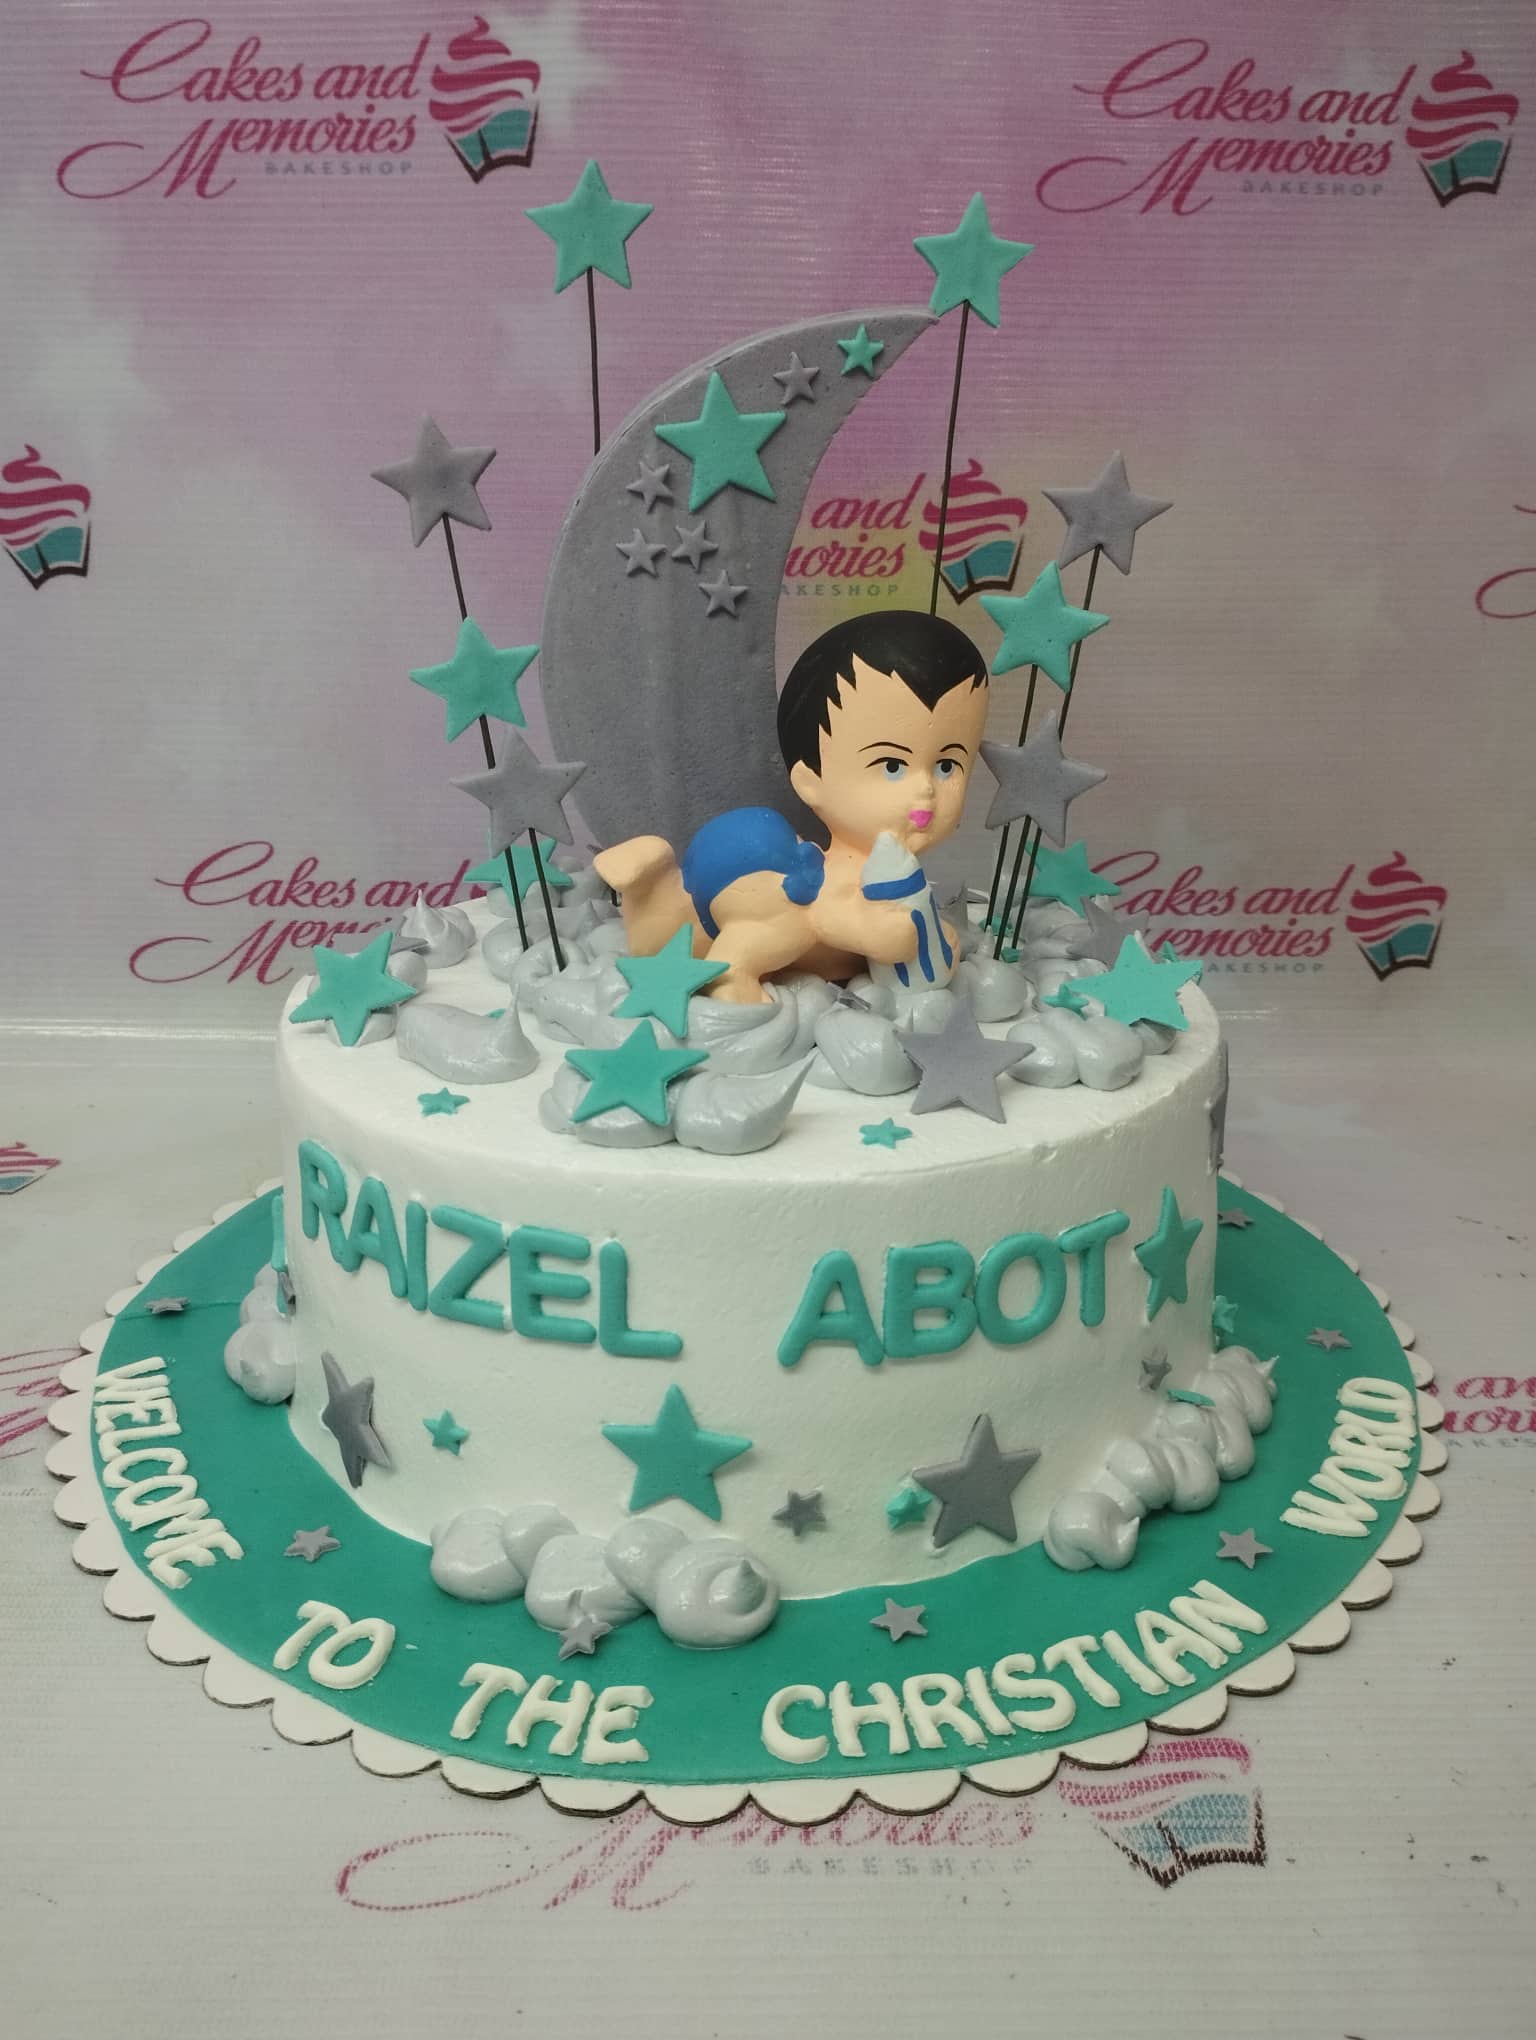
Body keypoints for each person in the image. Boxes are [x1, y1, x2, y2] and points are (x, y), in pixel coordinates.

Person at [595, 611, 989, 1003]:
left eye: (946, 766)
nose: (925, 790)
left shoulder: (893, 869)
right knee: (793, 918)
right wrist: (887, 938)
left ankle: (655, 889)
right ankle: (727, 968)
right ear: (809, 781)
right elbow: (832, 918)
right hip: (753, 903)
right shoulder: (844, 876)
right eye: (891, 766)